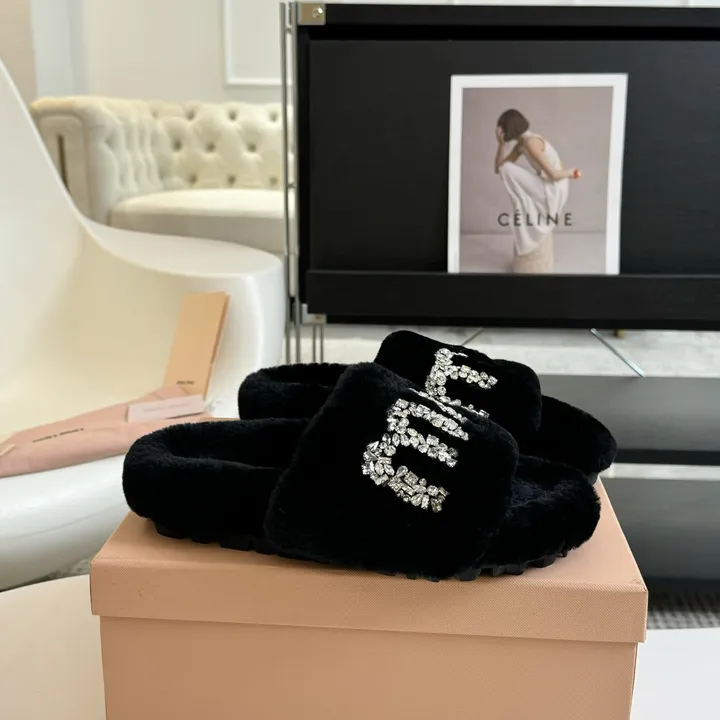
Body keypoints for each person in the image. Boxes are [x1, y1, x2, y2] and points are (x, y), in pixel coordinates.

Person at [494, 109, 581, 263]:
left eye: (503, 129)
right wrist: (500, 145)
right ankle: (522, 202)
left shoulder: (531, 142)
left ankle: (524, 203)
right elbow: (498, 169)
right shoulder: (522, 144)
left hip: (554, 188)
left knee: (507, 168)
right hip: (546, 182)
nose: (501, 133)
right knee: (506, 168)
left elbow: (553, 175)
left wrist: (571, 172)